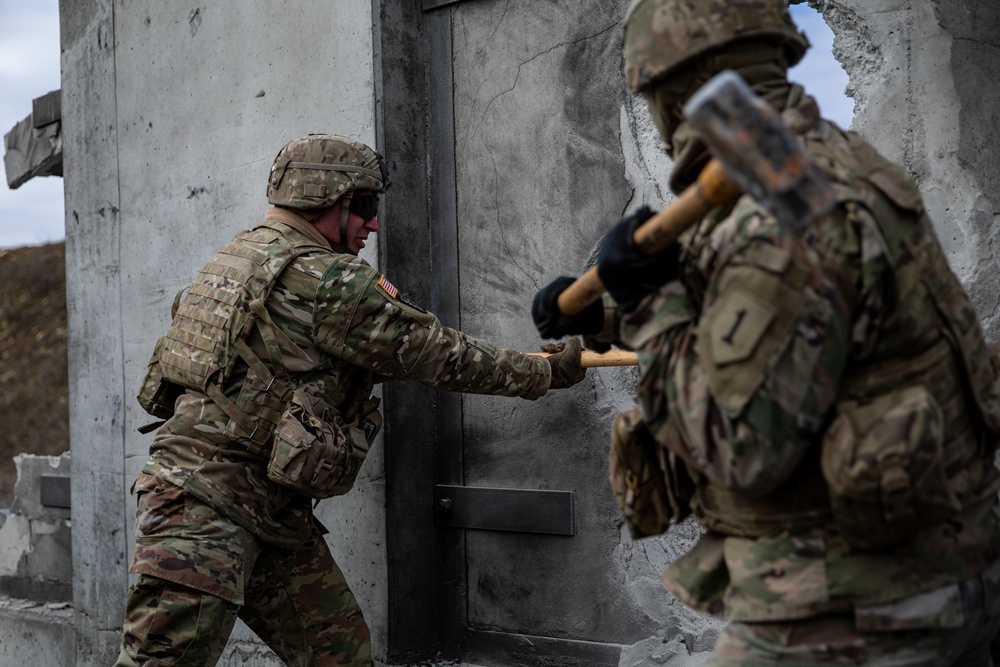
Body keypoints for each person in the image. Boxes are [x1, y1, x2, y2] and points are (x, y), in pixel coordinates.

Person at [533, 1, 1000, 664]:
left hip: (861, 604)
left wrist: (654, 299)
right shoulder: (832, 164)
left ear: (674, 92)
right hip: (937, 563)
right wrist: (602, 315)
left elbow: (739, 447)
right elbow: (763, 306)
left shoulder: (784, 215)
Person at [117, 133, 587, 667]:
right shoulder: (331, 281)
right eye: (363, 206)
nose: (373, 224)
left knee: (338, 653)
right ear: (323, 198)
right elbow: (441, 355)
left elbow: (297, 364)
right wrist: (543, 371)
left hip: (266, 512)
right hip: (202, 510)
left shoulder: (233, 262)